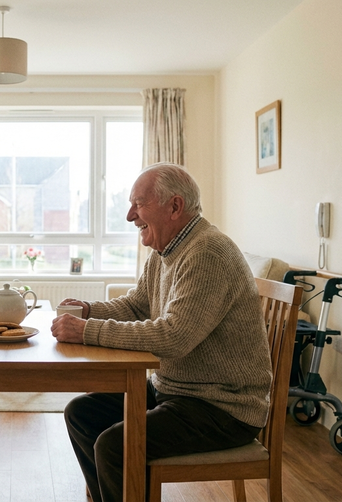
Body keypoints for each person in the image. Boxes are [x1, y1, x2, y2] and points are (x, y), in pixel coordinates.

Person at [52, 163, 271, 502]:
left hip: (222, 407)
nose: (129, 216)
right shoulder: (165, 251)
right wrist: (89, 311)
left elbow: (173, 337)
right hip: (177, 392)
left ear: (174, 206)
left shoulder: (208, 252)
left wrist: (87, 331)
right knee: (81, 414)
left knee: (114, 445)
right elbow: (137, 306)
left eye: (138, 204)